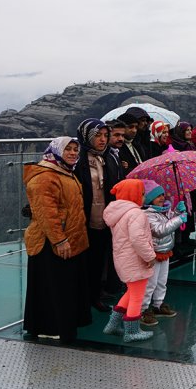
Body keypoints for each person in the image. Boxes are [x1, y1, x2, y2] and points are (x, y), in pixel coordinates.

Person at [22, 137, 90, 342]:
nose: (72, 153)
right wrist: (59, 240)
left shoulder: (64, 171)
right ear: (56, 150)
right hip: (49, 244)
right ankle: (48, 327)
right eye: (67, 149)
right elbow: (46, 213)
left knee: (62, 286)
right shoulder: (45, 177)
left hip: (68, 238)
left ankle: (62, 324)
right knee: (51, 287)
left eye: (75, 149)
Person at [100, 179, 157, 343]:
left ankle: (113, 324)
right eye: (142, 194)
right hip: (136, 260)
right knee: (138, 296)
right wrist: (150, 256)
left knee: (131, 292)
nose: (144, 197)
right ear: (134, 195)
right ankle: (132, 331)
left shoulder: (118, 213)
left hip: (123, 259)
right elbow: (137, 239)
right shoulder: (135, 214)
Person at [75, 118, 121, 311]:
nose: (103, 140)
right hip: (83, 218)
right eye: (98, 136)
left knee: (98, 260)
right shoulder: (77, 159)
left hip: (104, 218)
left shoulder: (109, 157)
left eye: (105, 135)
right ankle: (81, 298)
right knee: (82, 262)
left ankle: (95, 296)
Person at [140, 181, 186, 325]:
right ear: (149, 199)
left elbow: (169, 220)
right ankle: (143, 309)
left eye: (162, 195)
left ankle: (158, 304)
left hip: (165, 250)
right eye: (157, 196)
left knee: (161, 281)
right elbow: (160, 230)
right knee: (150, 283)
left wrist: (177, 212)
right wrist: (179, 219)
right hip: (154, 252)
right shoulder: (148, 214)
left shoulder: (163, 210)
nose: (161, 198)